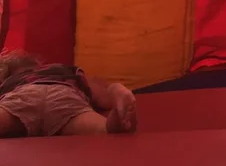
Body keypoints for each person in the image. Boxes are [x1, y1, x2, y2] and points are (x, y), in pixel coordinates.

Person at [0, 50, 138, 138]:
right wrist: (112, 92)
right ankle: (115, 121)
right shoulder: (68, 72)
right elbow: (102, 97)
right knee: (100, 129)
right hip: (64, 94)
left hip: (25, 94)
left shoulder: (11, 81)